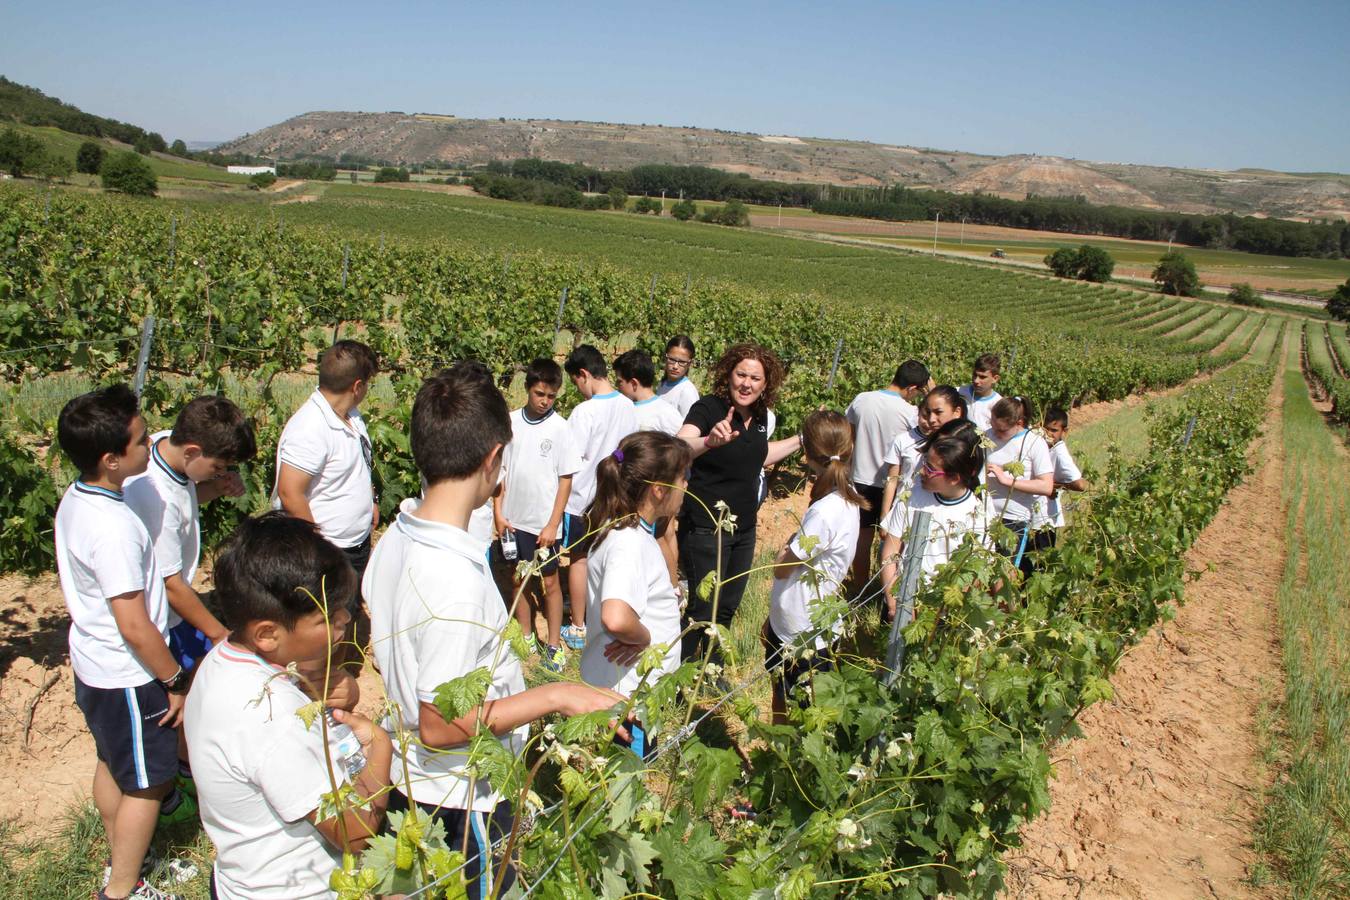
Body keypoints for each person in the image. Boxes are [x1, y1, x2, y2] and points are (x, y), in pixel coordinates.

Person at [364, 364, 628, 900]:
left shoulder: (395, 537)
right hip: (461, 800)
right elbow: (440, 725)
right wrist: (558, 693)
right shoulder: (453, 578)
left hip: (410, 780)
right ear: (493, 461)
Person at [185, 514, 393, 900]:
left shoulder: (222, 663)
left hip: (244, 879)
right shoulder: (271, 716)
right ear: (267, 634)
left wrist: (327, 687)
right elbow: (355, 833)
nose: (346, 619)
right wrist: (381, 746)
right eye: (327, 616)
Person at [55, 385, 192, 900]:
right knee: (148, 783)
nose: (148, 444)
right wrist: (173, 678)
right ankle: (121, 891)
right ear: (112, 460)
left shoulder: (79, 497)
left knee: (113, 762)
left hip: (96, 664)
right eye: (139, 440)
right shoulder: (112, 527)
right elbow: (134, 623)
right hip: (130, 672)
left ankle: (128, 857)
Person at [676, 343, 802, 667]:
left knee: (728, 605)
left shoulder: (759, 417)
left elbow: (758, 455)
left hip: (743, 528)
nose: (746, 383)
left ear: (765, 384)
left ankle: (713, 667)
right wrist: (708, 441)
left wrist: (801, 439)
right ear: (728, 375)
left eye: (755, 378)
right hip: (707, 525)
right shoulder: (708, 409)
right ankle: (683, 676)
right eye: (741, 374)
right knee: (702, 608)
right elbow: (678, 446)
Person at [125, 397, 256, 676]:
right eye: (218, 467)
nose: (221, 472)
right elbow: (170, 584)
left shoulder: (167, 444)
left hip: (173, 605)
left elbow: (187, 497)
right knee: (194, 678)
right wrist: (219, 633)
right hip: (159, 613)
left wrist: (217, 487)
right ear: (193, 451)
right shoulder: (155, 498)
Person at [763, 411, 864, 723]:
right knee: (808, 704)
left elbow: (783, 567)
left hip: (800, 627)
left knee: (795, 700)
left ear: (806, 452)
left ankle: (782, 754)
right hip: (812, 621)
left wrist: (784, 550)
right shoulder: (848, 498)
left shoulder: (824, 511)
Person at [579, 431, 691, 707]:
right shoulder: (629, 542)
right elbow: (616, 618)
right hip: (627, 694)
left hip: (630, 687)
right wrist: (644, 638)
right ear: (659, 490)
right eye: (682, 478)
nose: (687, 486)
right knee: (630, 752)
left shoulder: (632, 532)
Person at [273, 340, 380, 594]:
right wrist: (319, 550)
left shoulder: (351, 416)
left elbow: (358, 461)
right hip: (327, 550)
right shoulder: (310, 428)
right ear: (357, 386)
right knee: (325, 621)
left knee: (345, 612)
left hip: (353, 544)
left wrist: (370, 498)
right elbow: (289, 492)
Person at [496, 358, 581, 673]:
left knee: (550, 584)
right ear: (527, 389)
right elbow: (502, 471)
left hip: (544, 525)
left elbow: (565, 479)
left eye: (551, 396)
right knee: (518, 578)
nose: (545, 402)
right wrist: (499, 511)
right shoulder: (510, 422)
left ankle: (555, 646)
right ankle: (527, 634)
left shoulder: (560, 429)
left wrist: (553, 523)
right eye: (539, 394)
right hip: (514, 520)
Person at [559, 345, 638, 652]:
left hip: (582, 501)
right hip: (616, 499)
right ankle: (604, 618)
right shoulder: (627, 405)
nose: (578, 390)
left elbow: (571, 460)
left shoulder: (584, 412)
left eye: (576, 383)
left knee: (578, 561)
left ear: (584, 375)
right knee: (607, 560)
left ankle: (578, 627)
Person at [878, 420, 990, 622]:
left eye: (929, 469)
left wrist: (939, 613)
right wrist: (894, 599)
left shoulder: (978, 514)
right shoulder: (915, 494)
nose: (921, 471)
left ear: (955, 478)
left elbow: (976, 575)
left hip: (943, 614)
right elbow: (891, 550)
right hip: (901, 599)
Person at [843, 360, 930, 597]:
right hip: (893, 486)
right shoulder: (910, 413)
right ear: (912, 389)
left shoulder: (862, 399)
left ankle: (859, 589)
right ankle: (888, 592)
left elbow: (848, 438)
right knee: (893, 543)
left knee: (861, 540)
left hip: (859, 479)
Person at [984, 396, 1055, 578]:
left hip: (1014, 520)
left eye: (1001, 430)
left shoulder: (1034, 443)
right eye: (992, 425)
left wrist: (1007, 481)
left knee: (1005, 576)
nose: (995, 433)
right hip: (986, 515)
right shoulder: (987, 436)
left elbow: (1046, 486)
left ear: (1019, 423)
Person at [879, 385, 968, 520]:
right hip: (904, 512)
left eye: (938, 412)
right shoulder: (904, 440)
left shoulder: (965, 446)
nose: (931, 419)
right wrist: (885, 516)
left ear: (957, 412)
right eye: (927, 413)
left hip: (941, 517)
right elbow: (892, 480)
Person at [1032, 405, 1089, 550]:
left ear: (1065, 432)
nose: (1049, 434)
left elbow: (1080, 485)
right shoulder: (1042, 446)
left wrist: (1052, 485)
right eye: (1046, 429)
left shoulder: (1059, 453)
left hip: (1046, 519)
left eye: (1054, 430)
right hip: (1036, 516)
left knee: (1039, 561)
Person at [614, 349, 685, 436]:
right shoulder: (624, 408)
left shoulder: (665, 413)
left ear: (634, 383)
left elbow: (685, 444)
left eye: (619, 382)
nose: (616, 385)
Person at [655, 335, 699, 418]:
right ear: (665, 357)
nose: (675, 366)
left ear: (690, 363)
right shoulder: (662, 383)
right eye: (672, 359)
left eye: (682, 362)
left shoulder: (687, 392)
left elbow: (688, 426)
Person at [958, 353, 1003, 433]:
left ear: (995, 379)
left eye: (982, 377)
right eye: (975, 375)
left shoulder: (999, 405)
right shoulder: (959, 392)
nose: (976, 381)